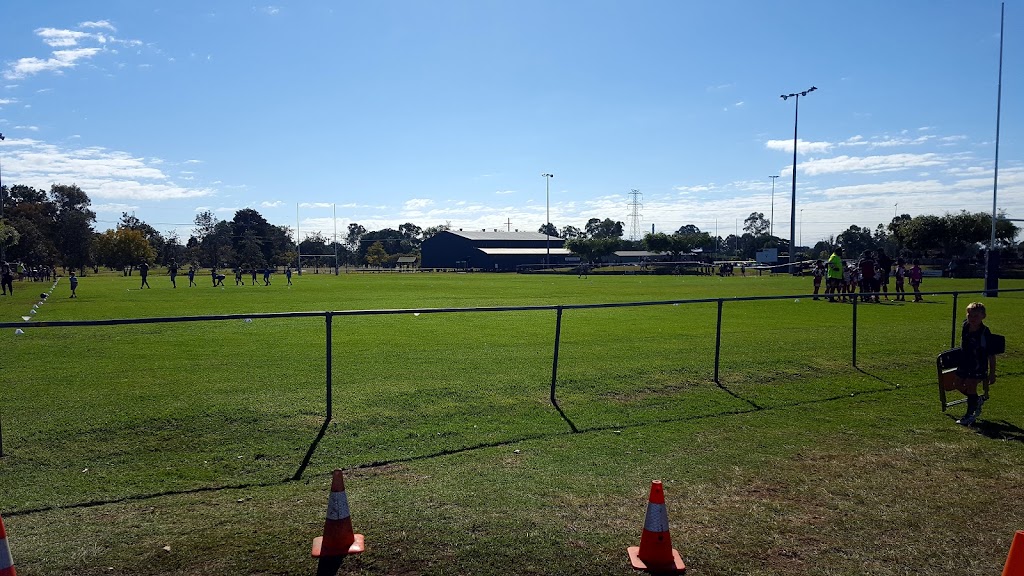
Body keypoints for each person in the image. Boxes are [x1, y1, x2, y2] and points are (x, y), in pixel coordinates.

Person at [953, 302, 997, 426]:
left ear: (983, 316)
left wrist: (992, 373)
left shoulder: (985, 333)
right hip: (964, 362)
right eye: (970, 315)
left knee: (971, 386)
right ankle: (976, 400)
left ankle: (969, 415)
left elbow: (991, 355)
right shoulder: (965, 326)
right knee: (957, 384)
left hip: (978, 364)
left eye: (976, 316)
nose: (972, 319)